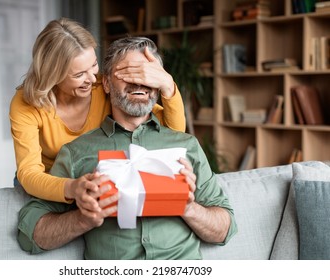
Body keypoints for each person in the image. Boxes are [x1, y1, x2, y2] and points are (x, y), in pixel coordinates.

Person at [17, 36, 237, 260]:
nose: (139, 82)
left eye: (147, 75)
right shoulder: (76, 153)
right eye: (128, 73)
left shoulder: (185, 146)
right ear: (106, 83)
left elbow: (225, 229)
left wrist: (188, 208)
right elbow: (31, 235)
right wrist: (83, 219)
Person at [9, 18, 186, 203]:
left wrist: (167, 84)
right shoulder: (27, 102)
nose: (93, 79)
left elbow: (172, 132)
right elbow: (29, 174)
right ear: (53, 75)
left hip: (91, 180)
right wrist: (72, 187)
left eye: (93, 65)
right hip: (48, 184)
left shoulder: (104, 86)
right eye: (79, 75)